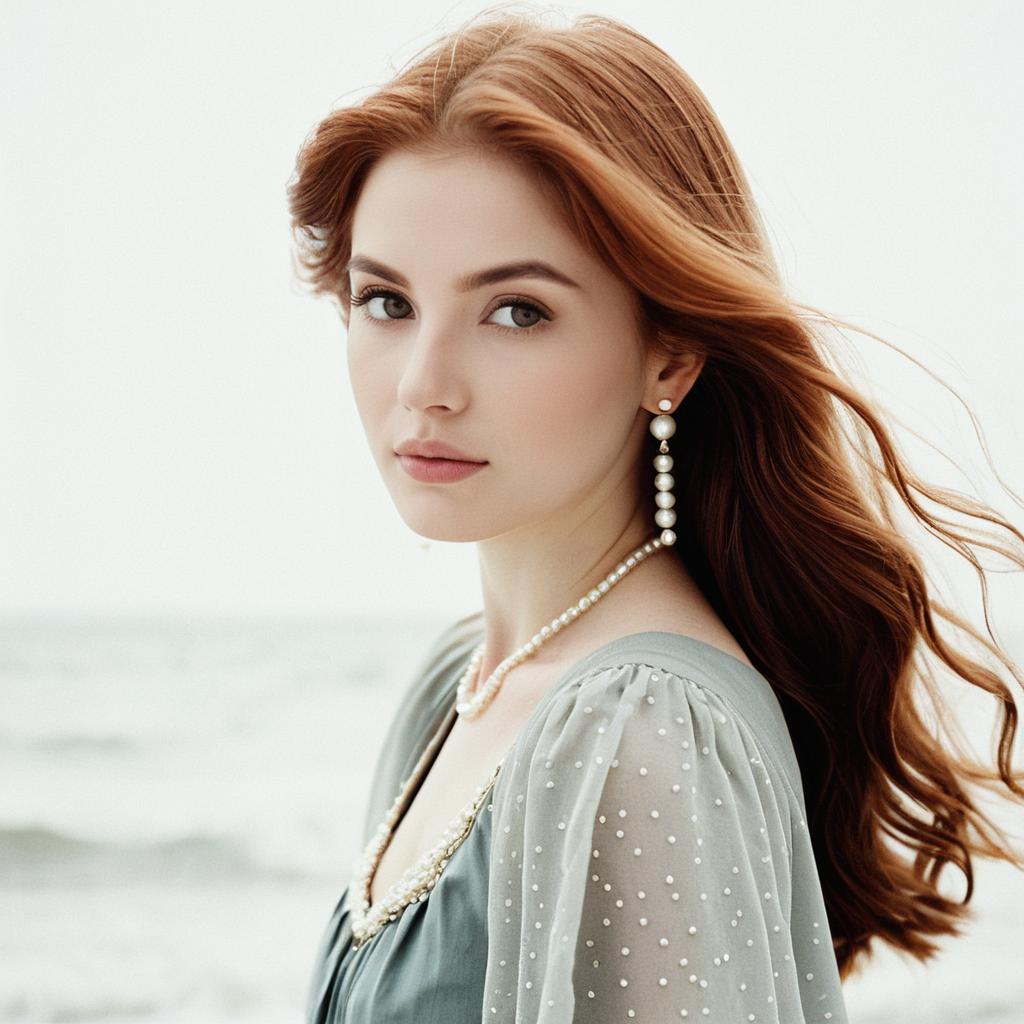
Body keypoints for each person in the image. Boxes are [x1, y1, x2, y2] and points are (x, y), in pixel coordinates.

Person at [286, 7, 1024, 1022]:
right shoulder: (457, 689)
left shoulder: (640, 730)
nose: (423, 384)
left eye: (516, 311)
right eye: (386, 301)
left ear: (669, 356)